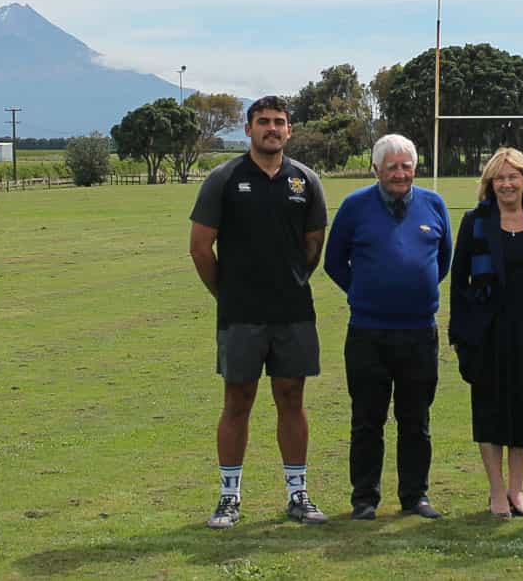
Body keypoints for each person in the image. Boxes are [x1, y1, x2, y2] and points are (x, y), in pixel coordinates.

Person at [189, 95, 329, 529]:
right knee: (238, 401)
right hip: (241, 314)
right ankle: (228, 497)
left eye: (279, 122)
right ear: (248, 129)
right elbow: (200, 248)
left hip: (293, 311)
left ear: (289, 130)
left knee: (292, 399)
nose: (272, 128)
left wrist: (290, 280)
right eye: (263, 121)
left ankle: (298, 495)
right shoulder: (224, 178)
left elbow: (314, 246)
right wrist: (226, 293)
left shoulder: (305, 180)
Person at [324, 134, 452, 521]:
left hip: (419, 332)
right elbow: (334, 261)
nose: (399, 173)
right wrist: (364, 292)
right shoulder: (355, 206)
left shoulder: (434, 204)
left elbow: (443, 261)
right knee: (367, 419)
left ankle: (415, 496)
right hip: (368, 332)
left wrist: (414, 290)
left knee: (416, 420)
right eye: (391, 167)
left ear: (415, 167)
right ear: (376, 169)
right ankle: (364, 499)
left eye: (406, 166)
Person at [449, 148, 523, 519]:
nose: (507, 184)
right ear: (490, 184)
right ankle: (497, 490)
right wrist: (460, 335)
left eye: (513, 177)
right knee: (490, 411)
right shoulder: (475, 221)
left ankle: (517, 488)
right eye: (499, 178)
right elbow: (459, 282)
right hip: (487, 334)